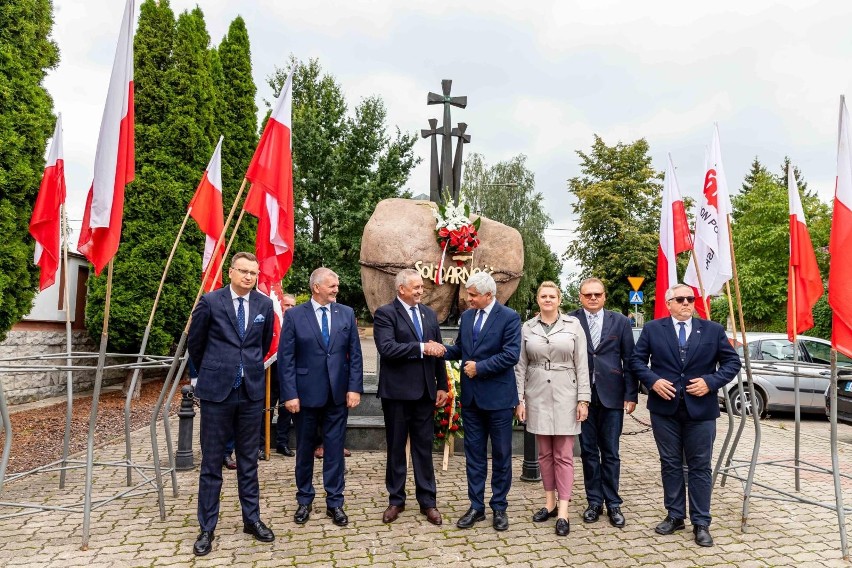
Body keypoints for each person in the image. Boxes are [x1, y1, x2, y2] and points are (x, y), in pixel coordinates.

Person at [630, 283, 741, 547]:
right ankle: (675, 515)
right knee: (670, 463)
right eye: (679, 299)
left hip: (701, 411)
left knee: (700, 466)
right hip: (664, 410)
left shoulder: (712, 330)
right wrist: (653, 381)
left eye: (690, 299)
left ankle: (701, 522)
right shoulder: (653, 329)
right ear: (668, 303)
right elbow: (636, 361)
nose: (686, 303)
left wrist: (711, 382)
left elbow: (732, 362)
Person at [187, 252, 276, 556]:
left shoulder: (264, 304)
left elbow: (263, 345)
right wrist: (212, 371)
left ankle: (251, 520)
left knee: (248, 462)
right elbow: (195, 344)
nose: (249, 277)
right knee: (212, 463)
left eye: (254, 272)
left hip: (250, 393)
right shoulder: (211, 302)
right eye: (244, 271)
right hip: (217, 394)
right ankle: (207, 528)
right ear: (231, 272)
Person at [279, 267, 363, 527]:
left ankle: (335, 502)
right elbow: (286, 358)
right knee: (304, 450)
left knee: (335, 451)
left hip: (337, 396)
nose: (336, 289)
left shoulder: (346, 313)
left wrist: (354, 388)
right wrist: (290, 394)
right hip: (304, 397)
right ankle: (304, 500)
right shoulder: (294, 316)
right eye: (332, 285)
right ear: (316, 287)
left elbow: (355, 355)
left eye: (336, 285)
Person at [444, 271, 521, 532]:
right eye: (468, 294)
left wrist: (481, 368)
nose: (468, 299)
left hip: (499, 399)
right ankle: (476, 506)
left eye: (473, 295)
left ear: (489, 295)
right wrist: (439, 350)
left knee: (501, 455)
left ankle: (499, 507)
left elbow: (511, 355)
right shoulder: (466, 318)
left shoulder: (509, 318)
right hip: (473, 400)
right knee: (473, 455)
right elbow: (460, 350)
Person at [373, 269, 449, 526]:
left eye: (421, 287)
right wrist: (420, 348)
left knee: (423, 449)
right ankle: (396, 500)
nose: (420, 291)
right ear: (401, 289)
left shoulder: (429, 314)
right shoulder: (385, 314)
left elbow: (437, 350)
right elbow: (387, 348)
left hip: (426, 393)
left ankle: (428, 502)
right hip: (396, 394)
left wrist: (442, 385)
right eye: (415, 287)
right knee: (395, 447)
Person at [515, 281, 590, 536]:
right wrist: (520, 400)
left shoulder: (573, 326)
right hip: (537, 395)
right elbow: (520, 366)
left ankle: (564, 510)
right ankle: (549, 502)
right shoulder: (527, 328)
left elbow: (582, 365)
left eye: (552, 296)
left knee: (564, 455)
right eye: (543, 296)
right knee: (544, 454)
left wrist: (583, 400)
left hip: (566, 394)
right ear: (538, 300)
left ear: (559, 300)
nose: (548, 300)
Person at [569, 277, 637, 528]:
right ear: (580, 297)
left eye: (597, 294)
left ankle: (613, 503)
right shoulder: (570, 320)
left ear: (605, 296)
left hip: (612, 395)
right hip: (581, 397)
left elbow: (629, 359)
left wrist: (631, 395)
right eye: (588, 295)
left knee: (611, 452)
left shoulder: (620, 321)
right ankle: (593, 502)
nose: (593, 298)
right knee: (588, 451)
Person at [261, 293, 297, 458]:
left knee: (286, 412)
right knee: (266, 410)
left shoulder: (297, 323)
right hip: (271, 372)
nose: (289, 309)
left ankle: (282, 443)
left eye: (292, 306)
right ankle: (261, 445)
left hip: (289, 374)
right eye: (286, 305)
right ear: (279, 306)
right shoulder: (274, 322)